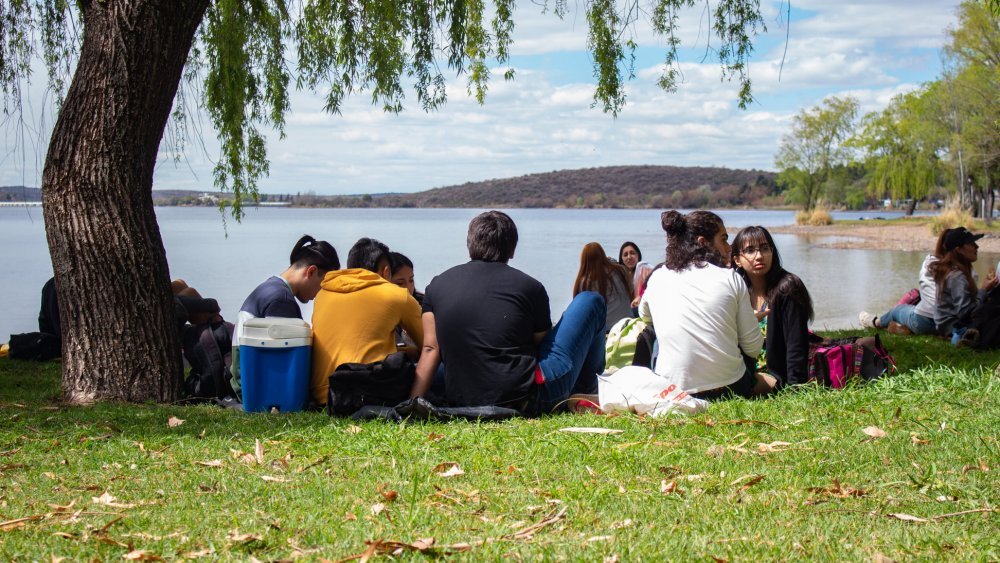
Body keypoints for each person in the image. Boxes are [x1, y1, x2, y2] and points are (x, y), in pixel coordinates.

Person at [410, 211, 606, 412]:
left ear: (470, 245)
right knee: (591, 300)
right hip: (528, 396)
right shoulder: (529, 286)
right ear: (512, 250)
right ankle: (586, 390)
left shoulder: (437, 285)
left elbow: (430, 349)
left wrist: (411, 402)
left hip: (462, 397)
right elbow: (541, 345)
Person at [639, 210, 768, 399]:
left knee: (655, 331)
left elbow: (644, 316)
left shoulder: (659, 276)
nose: (729, 247)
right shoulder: (730, 278)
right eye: (723, 240)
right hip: (731, 389)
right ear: (702, 243)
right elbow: (754, 349)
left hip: (675, 393)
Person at [310, 238, 423, 405]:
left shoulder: (322, 294)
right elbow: (429, 345)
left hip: (325, 396)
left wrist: (405, 350)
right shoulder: (395, 294)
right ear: (386, 272)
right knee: (441, 370)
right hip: (367, 394)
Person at [230, 235, 340, 392]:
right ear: (311, 271)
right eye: (322, 286)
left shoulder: (269, 287)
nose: (319, 294)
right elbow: (284, 361)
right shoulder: (282, 301)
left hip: (245, 382)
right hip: (254, 390)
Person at [731, 226, 814, 387]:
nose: (759, 256)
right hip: (741, 372)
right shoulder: (736, 290)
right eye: (750, 250)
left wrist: (796, 386)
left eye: (764, 248)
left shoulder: (788, 287)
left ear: (772, 252)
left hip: (774, 377)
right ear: (737, 260)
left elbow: (796, 344)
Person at [858, 231, 946, 336]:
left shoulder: (931, 262)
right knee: (917, 296)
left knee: (899, 309)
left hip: (929, 323)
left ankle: (875, 322)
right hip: (953, 324)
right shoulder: (965, 271)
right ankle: (898, 324)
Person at [928, 227, 997, 347]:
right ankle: (961, 336)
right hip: (953, 325)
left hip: (948, 323)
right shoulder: (957, 276)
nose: (977, 247)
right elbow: (965, 312)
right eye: (971, 243)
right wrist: (984, 290)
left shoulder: (957, 270)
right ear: (958, 249)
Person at [573, 242, 633, 332]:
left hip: (605, 330)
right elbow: (631, 291)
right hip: (629, 322)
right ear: (603, 255)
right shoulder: (621, 270)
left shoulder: (584, 282)